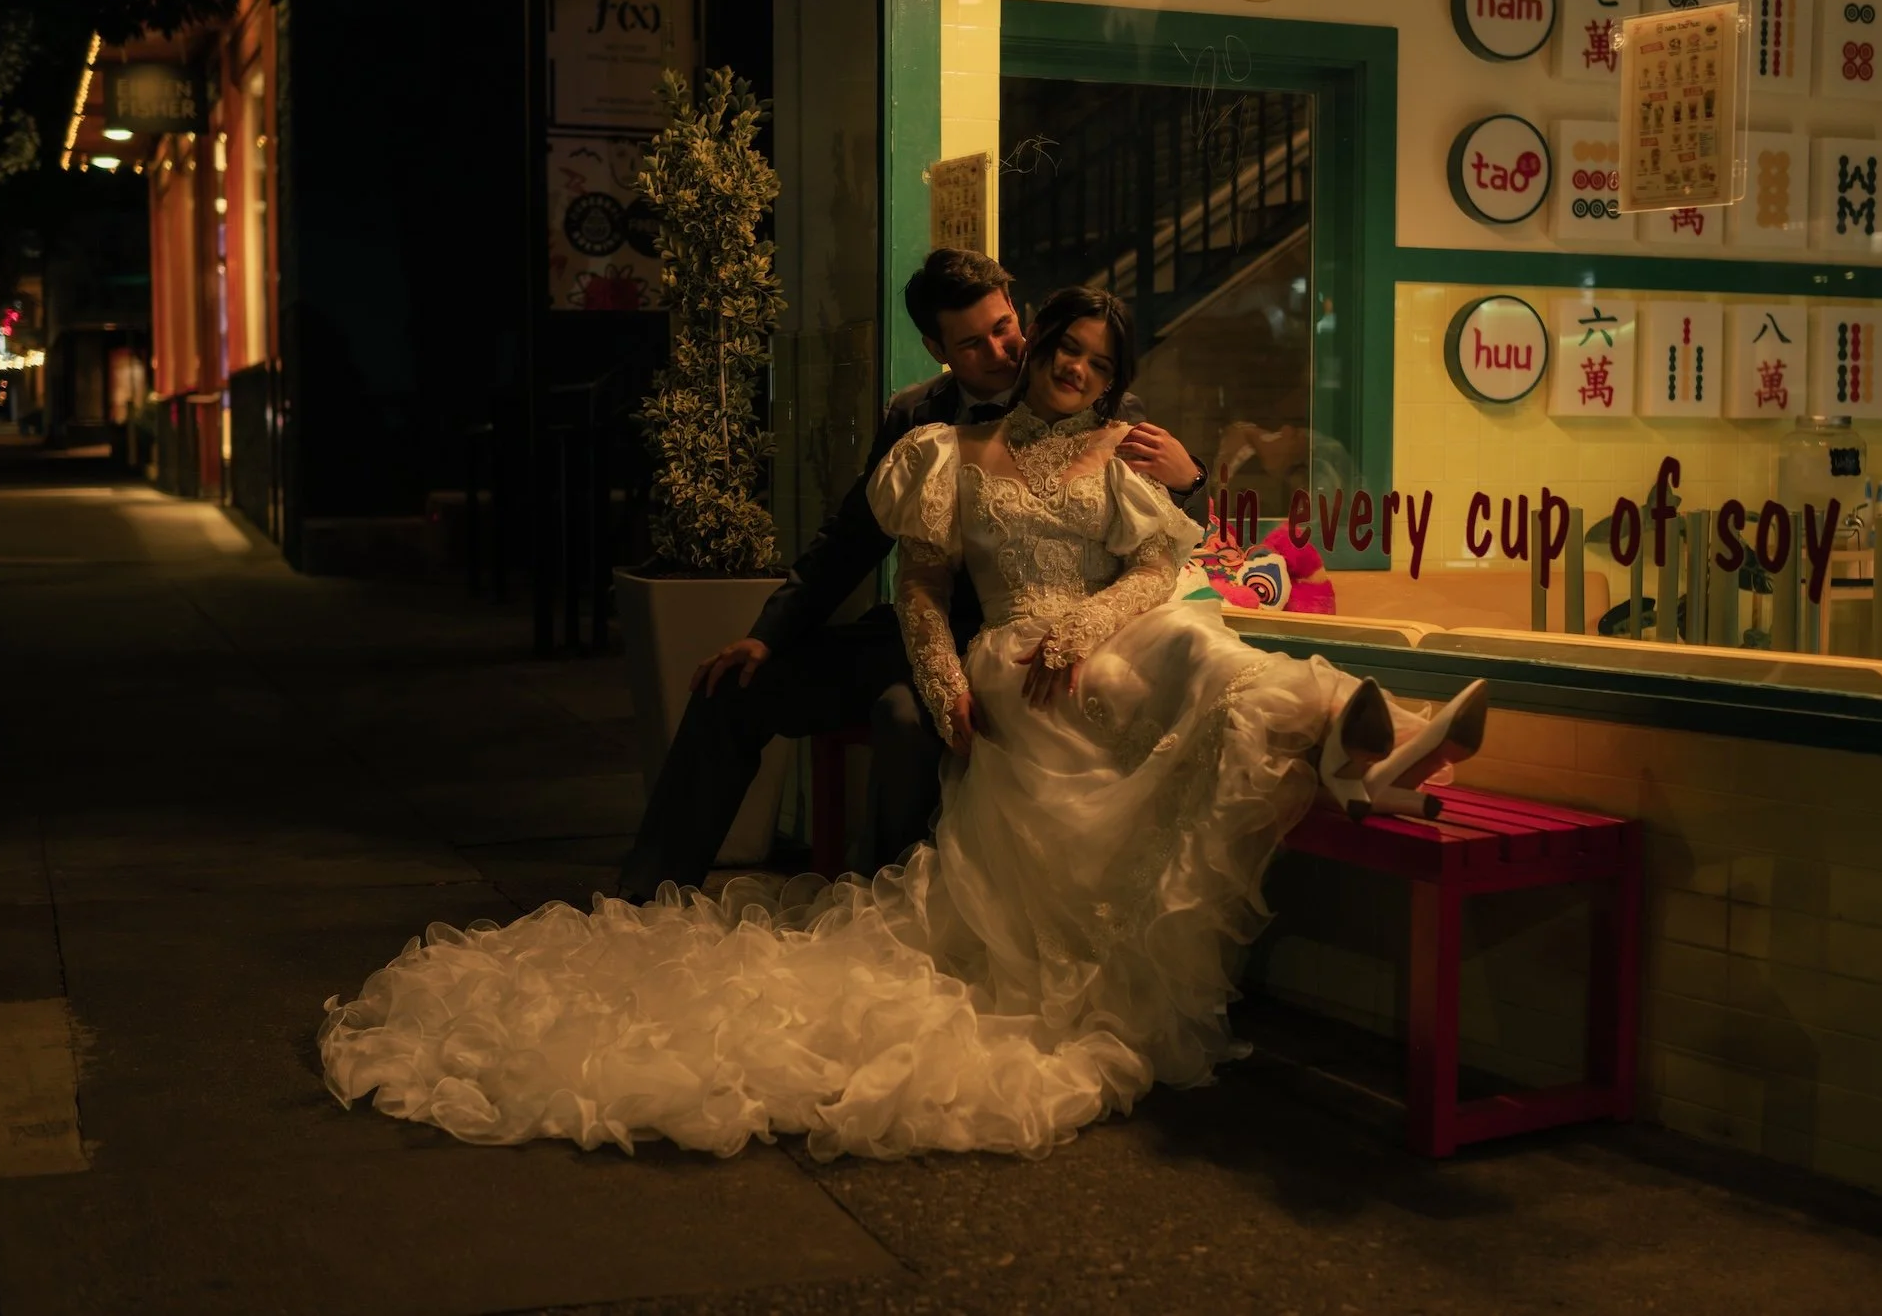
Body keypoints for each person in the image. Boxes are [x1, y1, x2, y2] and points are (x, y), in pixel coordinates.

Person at [316, 285, 1487, 1162]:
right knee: (804, 695)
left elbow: (1164, 551)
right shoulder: (928, 436)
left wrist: (1135, 552)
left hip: (1099, 633)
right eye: (1001, 340)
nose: (1028, 352)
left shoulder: (1113, 436)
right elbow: (886, 569)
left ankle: (1364, 735)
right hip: (991, 651)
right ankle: (655, 878)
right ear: (947, 347)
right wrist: (859, 657)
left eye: (1038, 336)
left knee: (1194, 638)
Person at [615, 249, 1207, 901]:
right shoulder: (916, 416)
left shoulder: (1100, 396)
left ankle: (886, 906)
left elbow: (1160, 532)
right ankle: (645, 901)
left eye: (1004, 327)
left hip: (1026, 652)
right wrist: (769, 632)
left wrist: (1194, 478)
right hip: (913, 631)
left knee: (902, 720)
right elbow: (851, 537)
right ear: (936, 348)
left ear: (1021, 313)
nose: (1001, 350)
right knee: (733, 685)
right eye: (972, 342)